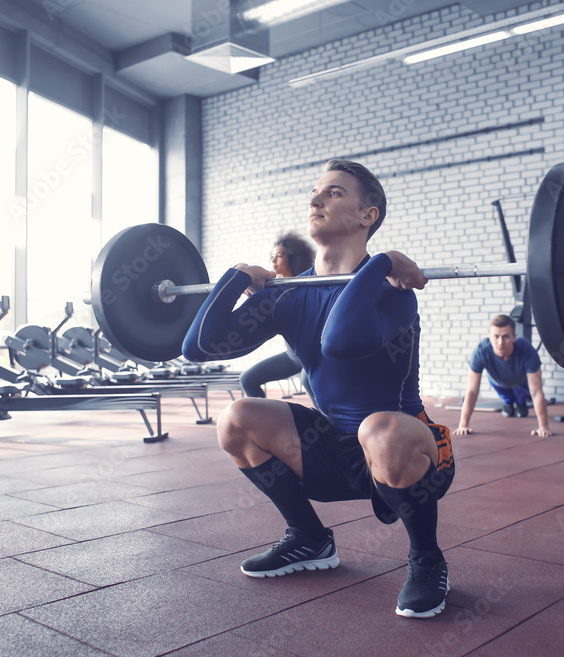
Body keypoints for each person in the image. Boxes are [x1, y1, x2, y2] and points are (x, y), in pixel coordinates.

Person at [183, 159, 455, 619]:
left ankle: (427, 559)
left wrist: (385, 261)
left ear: (368, 216)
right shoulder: (289, 294)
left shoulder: (393, 289)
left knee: (380, 429)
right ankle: (308, 538)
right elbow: (200, 347)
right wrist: (236, 278)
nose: (315, 199)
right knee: (236, 420)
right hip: (329, 448)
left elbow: (340, 342)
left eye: (333, 193)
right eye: (315, 192)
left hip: (405, 448)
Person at [239, 232, 316, 400]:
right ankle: (263, 422)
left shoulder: (307, 284)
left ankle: (330, 424)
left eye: (279, 256)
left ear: (293, 258)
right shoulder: (271, 287)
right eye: (272, 256)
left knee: (307, 380)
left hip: (311, 354)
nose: (273, 260)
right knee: (247, 380)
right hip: (292, 356)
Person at [453, 315, 551, 438]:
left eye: (505, 336)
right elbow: (472, 391)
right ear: (489, 336)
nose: (500, 342)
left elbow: (536, 391)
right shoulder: (481, 351)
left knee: (522, 405)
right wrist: (463, 425)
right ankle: (509, 403)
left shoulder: (526, 350)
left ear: (514, 337)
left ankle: (521, 403)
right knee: (508, 405)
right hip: (498, 382)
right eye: (496, 336)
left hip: (521, 384)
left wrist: (543, 427)